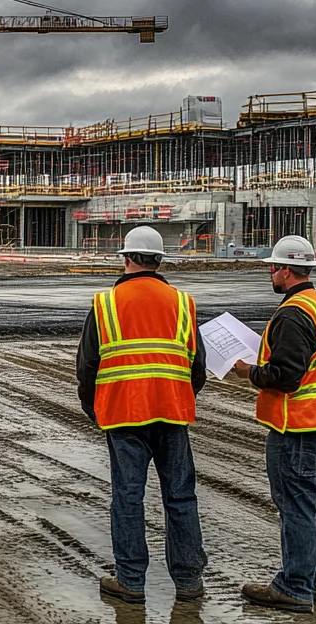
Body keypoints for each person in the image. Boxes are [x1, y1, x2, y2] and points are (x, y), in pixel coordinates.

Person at [76, 226, 208, 605]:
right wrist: (181, 395)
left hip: (123, 414)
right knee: (181, 497)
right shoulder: (183, 302)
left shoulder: (106, 303)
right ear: (159, 260)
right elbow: (197, 365)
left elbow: (87, 366)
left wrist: (94, 408)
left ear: (127, 258)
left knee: (128, 497)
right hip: (171, 412)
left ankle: (131, 581)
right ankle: (188, 581)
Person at [232, 234, 316, 614]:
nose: (271, 272)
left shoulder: (293, 313)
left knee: (298, 508)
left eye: (273, 267)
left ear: (286, 269)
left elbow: (286, 375)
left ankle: (294, 586)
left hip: (296, 426)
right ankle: (315, 583)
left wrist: (249, 372)